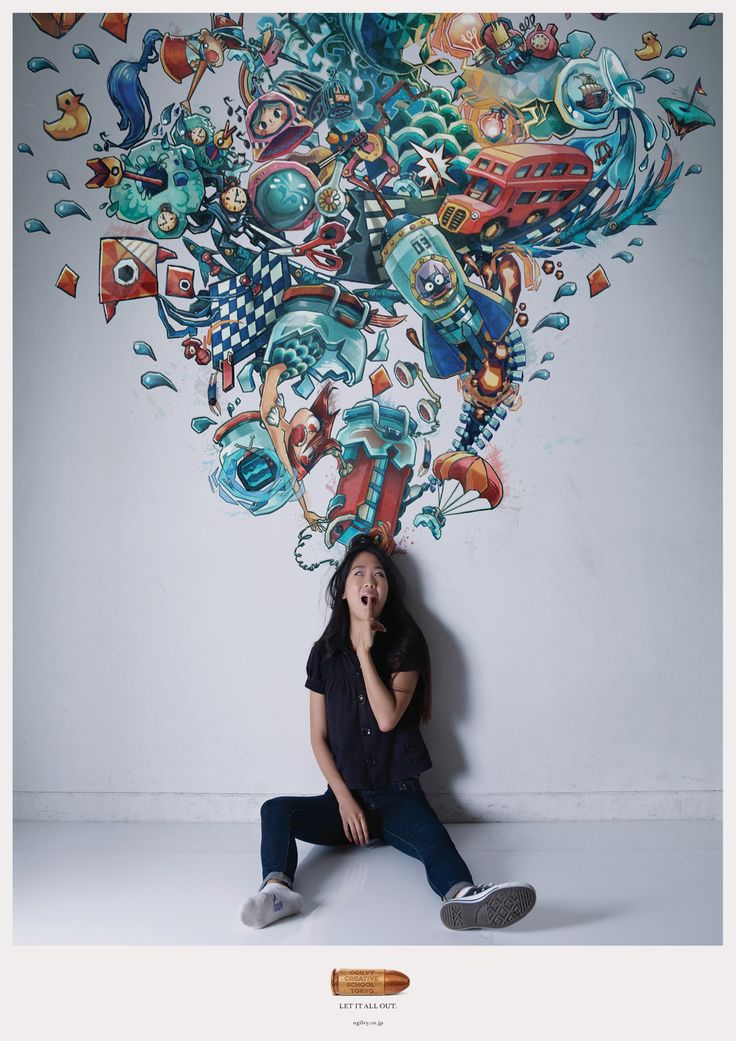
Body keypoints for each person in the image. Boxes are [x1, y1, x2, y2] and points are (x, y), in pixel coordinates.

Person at [240, 533, 536, 931]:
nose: (369, 582)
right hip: (346, 804)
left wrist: (364, 651)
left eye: (379, 576)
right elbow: (317, 736)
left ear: (387, 592)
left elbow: (386, 719)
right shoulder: (323, 654)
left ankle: (464, 896)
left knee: (433, 838)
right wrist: (343, 801)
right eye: (359, 574)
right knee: (275, 810)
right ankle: (277, 891)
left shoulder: (405, 644)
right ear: (342, 591)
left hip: (399, 797)